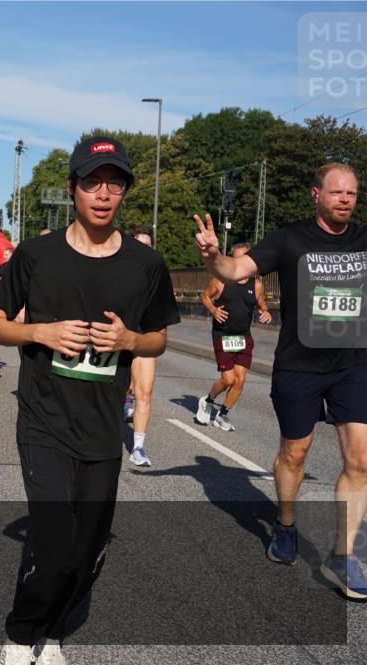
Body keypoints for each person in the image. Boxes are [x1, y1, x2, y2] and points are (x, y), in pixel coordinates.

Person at [0, 136, 179, 664]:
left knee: (86, 546)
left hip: (102, 426)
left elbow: (159, 338)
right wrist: (40, 333)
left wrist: (131, 340)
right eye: (92, 182)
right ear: (72, 187)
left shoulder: (146, 264)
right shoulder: (37, 255)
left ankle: (52, 633)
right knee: (53, 537)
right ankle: (20, 636)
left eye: (114, 184)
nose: (103, 194)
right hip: (44, 418)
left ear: (124, 193)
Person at [193, 162, 367, 601]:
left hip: (354, 366)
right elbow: (235, 270)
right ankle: (286, 524)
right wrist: (213, 256)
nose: (345, 199)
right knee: (295, 452)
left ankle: (342, 555)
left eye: (351, 192)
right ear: (316, 194)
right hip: (299, 366)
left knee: (362, 461)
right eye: (336, 192)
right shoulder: (289, 238)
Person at [195, 242, 273, 431]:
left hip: (243, 335)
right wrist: (213, 310)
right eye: (235, 258)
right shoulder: (220, 281)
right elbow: (205, 296)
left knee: (240, 380)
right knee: (228, 379)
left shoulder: (256, 285)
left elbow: (262, 305)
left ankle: (222, 414)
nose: (239, 262)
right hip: (223, 334)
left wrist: (266, 312)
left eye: (243, 258)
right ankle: (208, 401)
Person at [122, 227, 161, 467]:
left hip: (143, 335)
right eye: (140, 244)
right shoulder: (117, 268)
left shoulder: (157, 273)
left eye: (149, 245)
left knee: (144, 392)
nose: (145, 249)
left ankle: (138, 447)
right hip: (116, 336)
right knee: (112, 389)